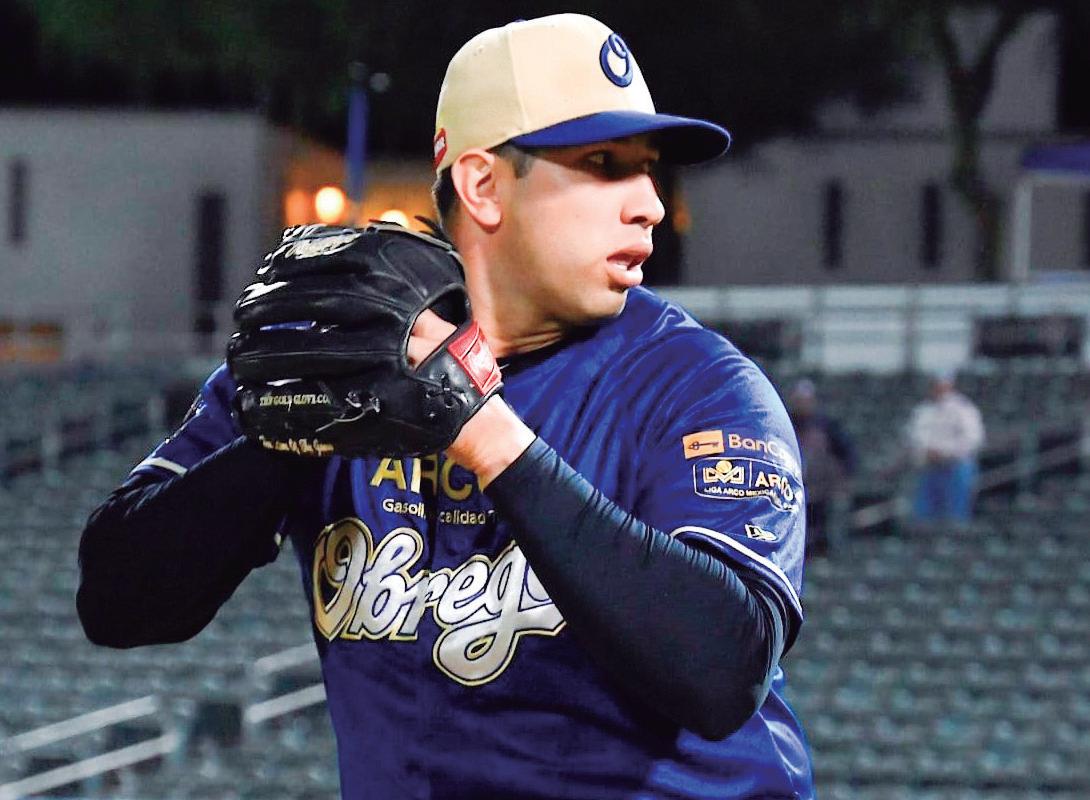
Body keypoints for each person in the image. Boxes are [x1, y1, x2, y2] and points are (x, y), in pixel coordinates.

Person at [77, 14, 813, 799]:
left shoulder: (697, 386)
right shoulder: (335, 351)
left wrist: (487, 435)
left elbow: (722, 671)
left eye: (648, 169)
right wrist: (291, 436)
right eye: (604, 165)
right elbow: (117, 602)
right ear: (483, 185)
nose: (651, 205)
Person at [905, 371, 985, 525]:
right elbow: (914, 438)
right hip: (929, 467)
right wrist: (925, 452)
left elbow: (973, 439)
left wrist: (945, 452)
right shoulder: (923, 410)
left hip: (955, 467)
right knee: (924, 517)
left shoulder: (963, 409)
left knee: (955, 516)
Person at [787, 379, 856, 556]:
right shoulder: (786, 424)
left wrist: (842, 480)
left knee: (823, 529)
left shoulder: (826, 426)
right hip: (794, 489)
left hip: (822, 490)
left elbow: (847, 455)